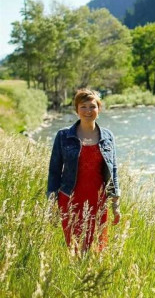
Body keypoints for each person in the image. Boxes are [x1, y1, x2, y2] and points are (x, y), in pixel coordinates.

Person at [47, 88, 121, 253]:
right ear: (77, 110)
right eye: (83, 106)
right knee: (75, 248)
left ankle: (95, 278)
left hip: (98, 201)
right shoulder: (63, 136)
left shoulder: (108, 136)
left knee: (97, 249)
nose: (88, 111)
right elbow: (54, 172)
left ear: (99, 109)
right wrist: (51, 204)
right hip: (70, 199)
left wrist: (116, 205)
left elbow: (113, 171)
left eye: (92, 106)